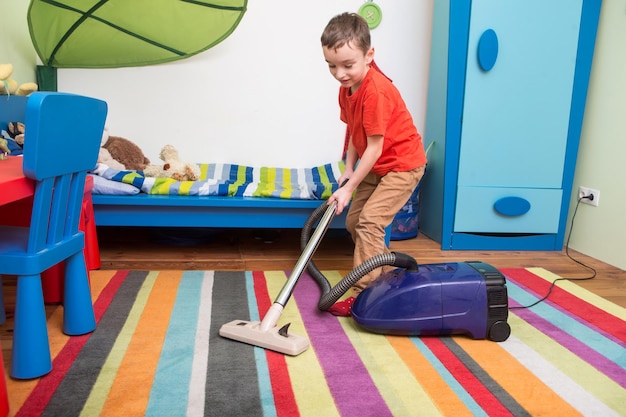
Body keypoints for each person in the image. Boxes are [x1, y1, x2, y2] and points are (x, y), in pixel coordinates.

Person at [321, 12, 427, 316]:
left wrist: (349, 188)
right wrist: (348, 169)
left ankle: (363, 294)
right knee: (355, 222)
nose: (340, 73)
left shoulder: (376, 91)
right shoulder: (348, 88)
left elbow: (376, 147)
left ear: (369, 55)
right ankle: (386, 275)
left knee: (370, 223)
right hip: (377, 165)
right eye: (332, 65)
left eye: (347, 65)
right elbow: (356, 131)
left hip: (402, 165)